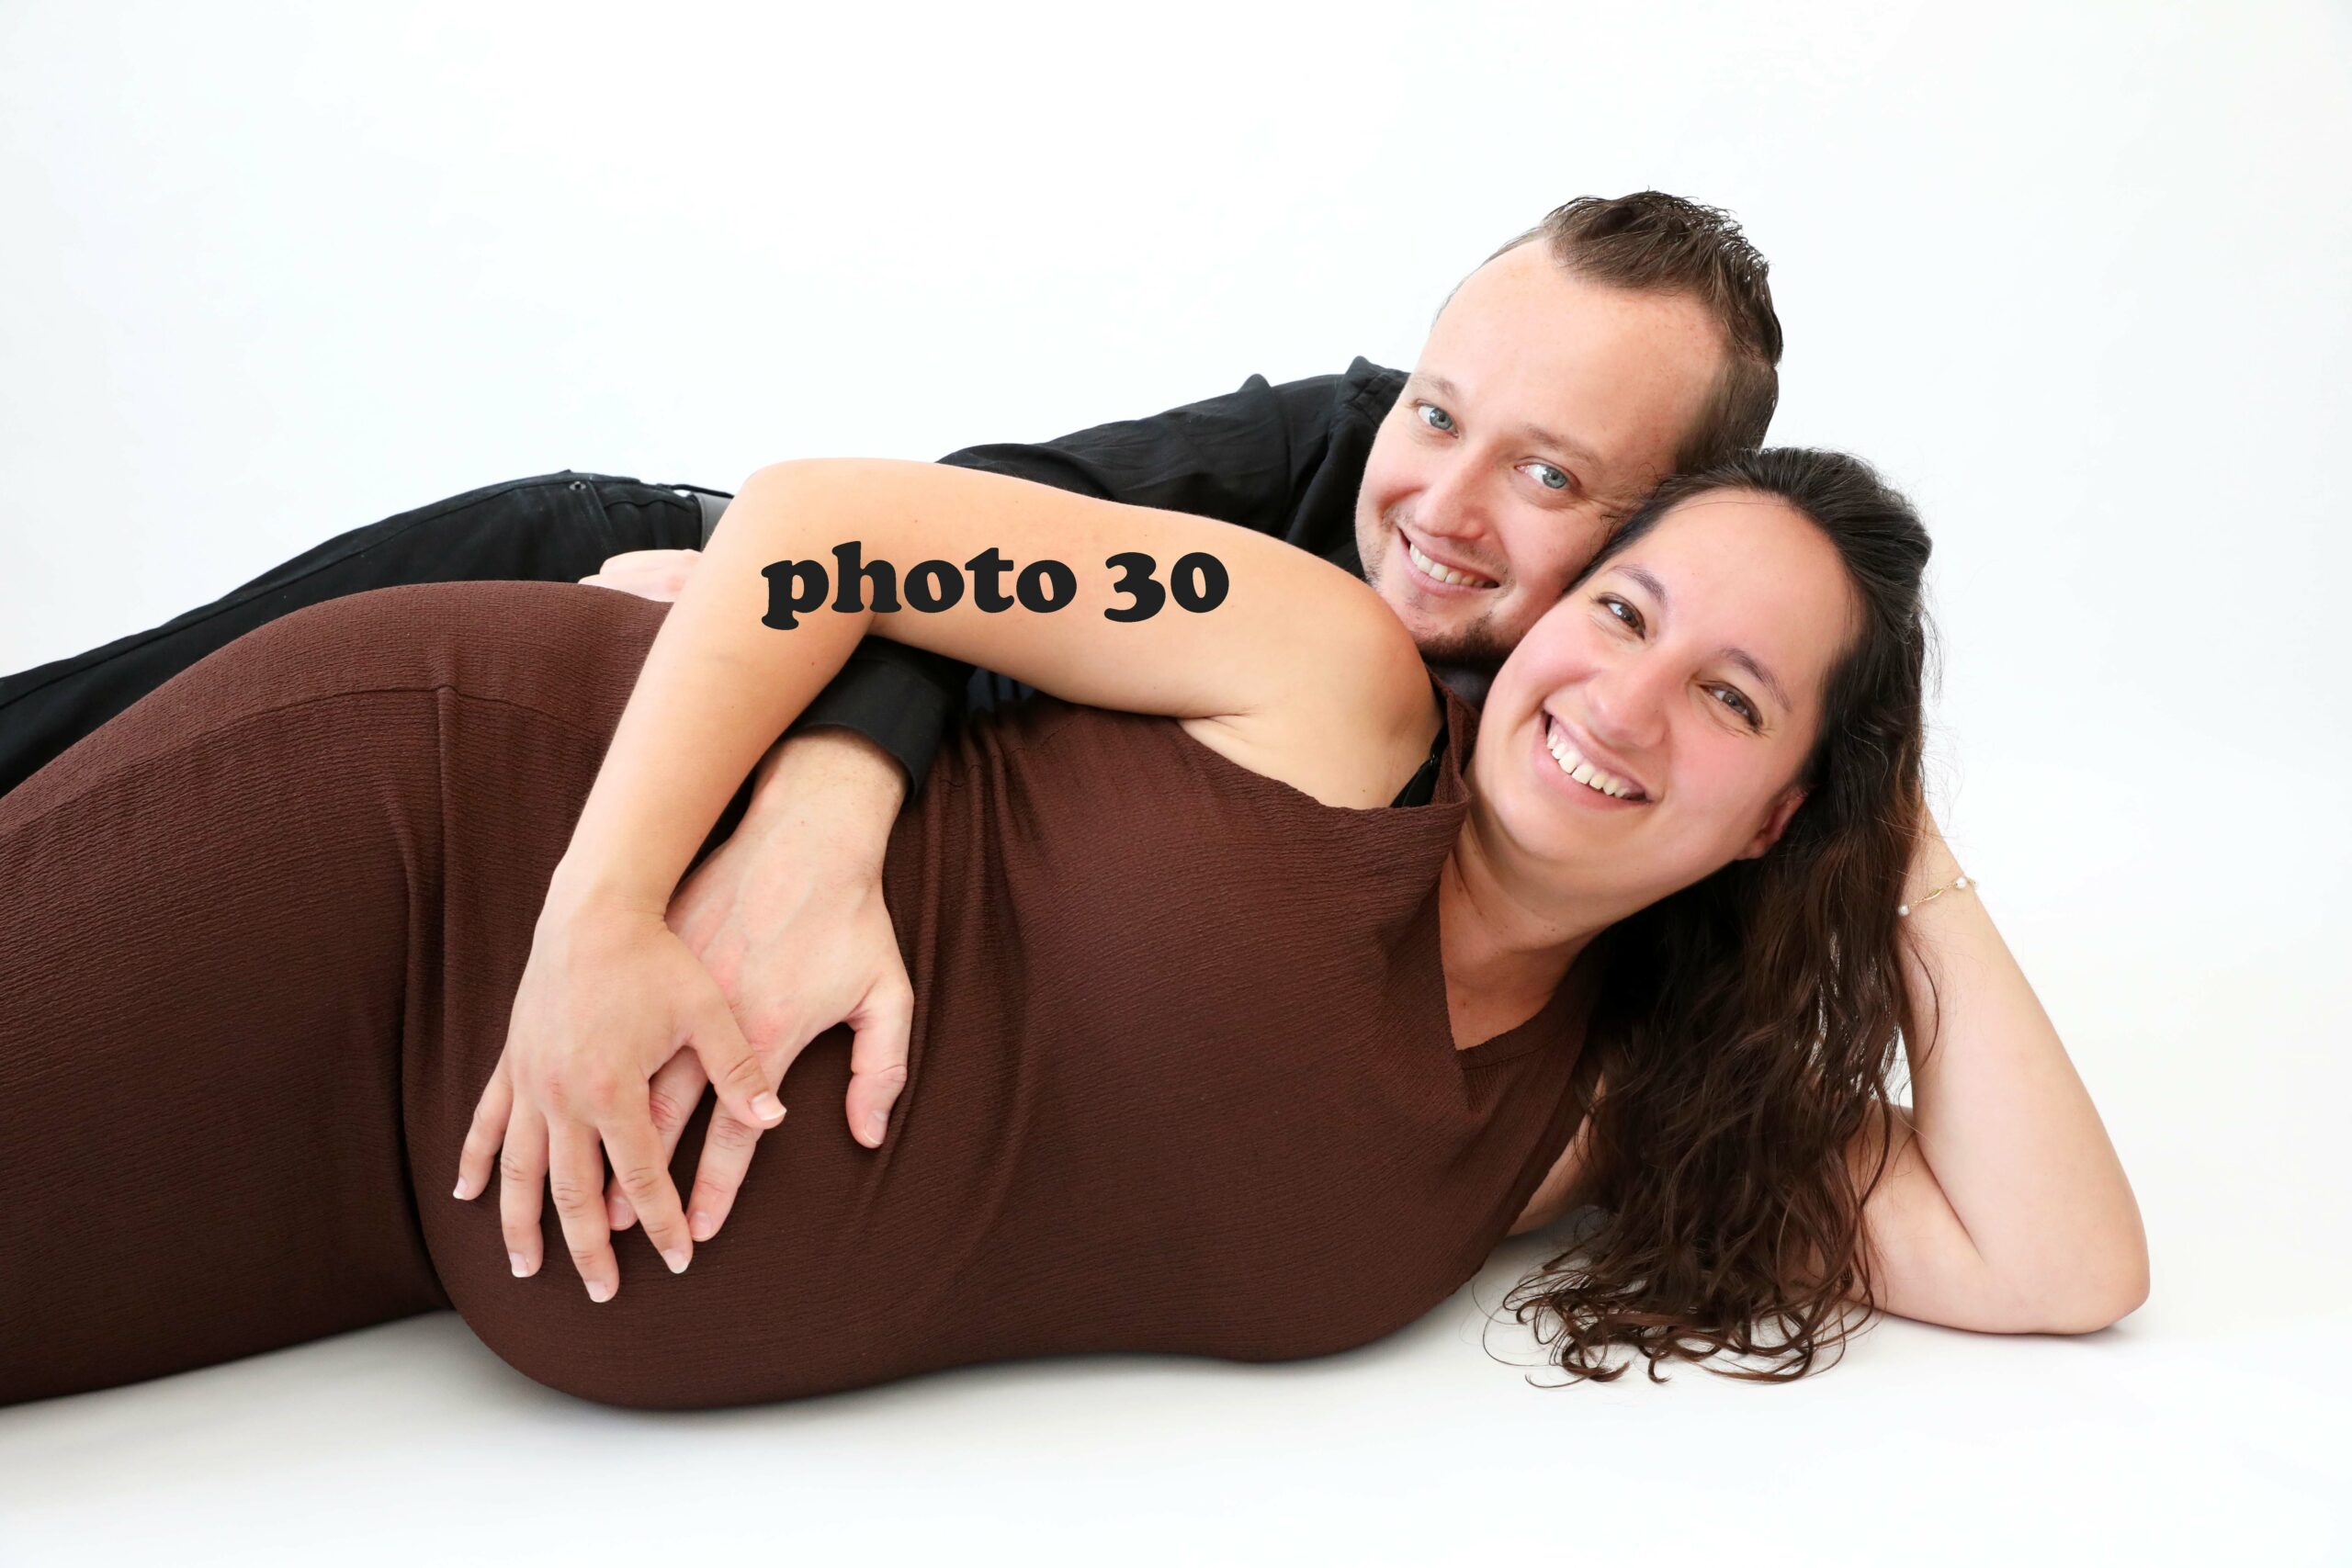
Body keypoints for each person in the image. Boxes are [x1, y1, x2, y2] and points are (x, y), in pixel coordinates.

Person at [0, 441, 2147, 1410]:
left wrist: (1900, 843)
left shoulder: (1588, 1114)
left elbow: (2056, 1263)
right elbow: (821, 527)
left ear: (1785, 817)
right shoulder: (1328, 675)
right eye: (1624, 609)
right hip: (432, 851)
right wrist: (595, 918)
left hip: (418, 1194)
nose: (1622, 699)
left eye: (1733, 699)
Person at [0, 194, 1781, 1298]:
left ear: (1668, 537)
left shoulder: (1606, 752)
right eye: (1436, 411)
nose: (1444, 503)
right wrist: (829, 800)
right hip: (621, 590)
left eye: (1547, 472)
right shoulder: (1320, 466)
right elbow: (955, 517)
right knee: (70, 747)